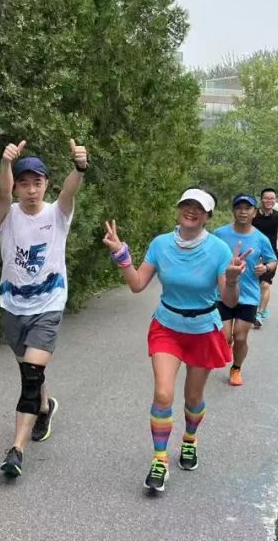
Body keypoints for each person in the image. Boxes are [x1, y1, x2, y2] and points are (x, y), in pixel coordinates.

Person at [102, 189, 247, 493]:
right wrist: (121, 256)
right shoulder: (161, 244)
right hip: (167, 326)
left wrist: (233, 278)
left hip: (203, 329)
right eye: (186, 205)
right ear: (179, 209)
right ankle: (160, 460)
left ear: (208, 216)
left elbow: (230, 301)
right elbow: (137, 285)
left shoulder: (219, 250)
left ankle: (190, 440)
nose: (191, 211)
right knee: (163, 394)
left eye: (199, 208)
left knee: (193, 398)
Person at [0, 138, 88, 478]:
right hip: (13, 305)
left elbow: (69, 191)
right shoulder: (6, 215)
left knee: (31, 378)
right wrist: (6, 163)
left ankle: (16, 450)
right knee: (28, 371)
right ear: (17, 187)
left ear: (46, 183)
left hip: (49, 304)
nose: (32, 190)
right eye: (24, 183)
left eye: (38, 182)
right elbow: (1, 193)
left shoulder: (56, 214)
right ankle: (45, 407)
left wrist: (79, 167)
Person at [213, 195, 278, 386]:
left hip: (248, 296)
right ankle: (227, 345)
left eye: (247, 208)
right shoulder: (219, 234)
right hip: (222, 293)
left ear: (254, 212)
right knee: (224, 337)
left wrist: (265, 268)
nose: (243, 212)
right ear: (233, 211)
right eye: (239, 208)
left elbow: (273, 260)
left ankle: (236, 368)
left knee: (240, 337)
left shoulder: (261, 238)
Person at [253, 188, 278, 323]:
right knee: (254, 284)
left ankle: (259, 314)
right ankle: (260, 306)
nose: (269, 201)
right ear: (261, 199)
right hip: (253, 255)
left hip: (271, 256)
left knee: (265, 284)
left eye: (272, 198)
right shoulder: (253, 215)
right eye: (266, 198)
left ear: (275, 200)